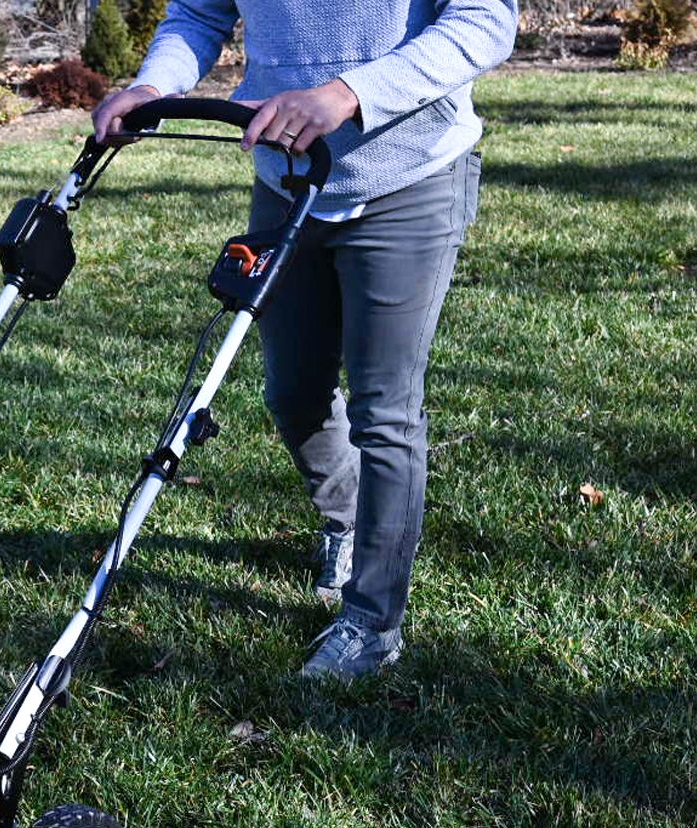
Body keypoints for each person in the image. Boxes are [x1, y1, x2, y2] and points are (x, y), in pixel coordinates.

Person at [92, 0, 518, 679]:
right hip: (288, 180)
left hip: (406, 174)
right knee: (293, 393)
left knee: (385, 409)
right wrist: (156, 84)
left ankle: (373, 622)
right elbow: (199, 15)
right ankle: (347, 519)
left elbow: (486, 22)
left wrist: (350, 93)